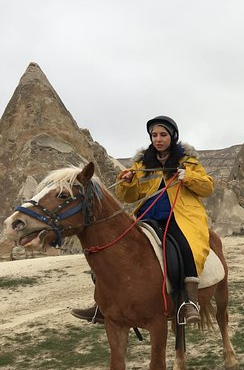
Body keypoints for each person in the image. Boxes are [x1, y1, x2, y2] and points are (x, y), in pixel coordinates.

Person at [71, 115, 214, 326]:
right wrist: (127, 183)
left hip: (179, 216)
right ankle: (103, 305)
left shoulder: (188, 161)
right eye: (154, 135)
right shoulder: (141, 163)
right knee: (110, 252)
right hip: (146, 217)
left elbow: (208, 188)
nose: (158, 139)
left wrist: (189, 177)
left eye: (163, 135)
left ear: (172, 136)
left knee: (186, 247)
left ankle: (189, 302)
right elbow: (129, 197)